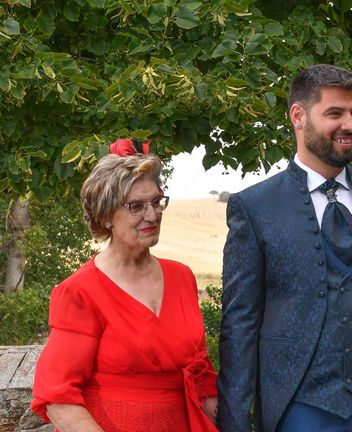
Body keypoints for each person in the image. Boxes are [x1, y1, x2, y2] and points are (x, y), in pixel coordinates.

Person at [217, 64, 352, 432]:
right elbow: (239, 326)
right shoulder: (255, 207)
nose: (350, 125)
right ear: (298, 117)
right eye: (334, 113)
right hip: (301, 410)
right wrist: (236, 425)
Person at [31, 139, 218, 432]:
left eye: (157, 202)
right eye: (136, 206)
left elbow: (201, 373)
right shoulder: (80, 292)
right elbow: (58, 397)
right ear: (106, 216)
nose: (152, 215)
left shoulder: (182, 277)